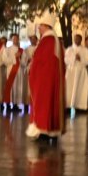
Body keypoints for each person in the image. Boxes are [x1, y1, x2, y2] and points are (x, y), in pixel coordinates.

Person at [26, 12, 65, 143]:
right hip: (48, 79)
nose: (38, 28)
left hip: (45, 80)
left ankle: (44, 131)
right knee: (48, 104)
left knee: (45, 104)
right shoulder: (52, 39)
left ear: (46, 26)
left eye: (40, 26)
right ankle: (49, 132)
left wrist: (33, 67)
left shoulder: (48, 40)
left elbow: (42, 61)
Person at [64, 34, 88, 113]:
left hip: (81, 72)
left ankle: (80, 106)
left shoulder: (85, 50)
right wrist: (73, 58)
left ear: (81, 40)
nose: (77, 40)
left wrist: (81, 58)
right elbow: (65, 60)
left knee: (80, 89)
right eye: (76, 39)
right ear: (74, 39)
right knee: (69, 89)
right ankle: (68, 106)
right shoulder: (69, 49)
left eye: (79, 39)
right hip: (71, 72)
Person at [2, 34, 26, 111]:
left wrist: (20, 57)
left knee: (18, 87)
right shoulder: (7, 50)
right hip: (11, 70)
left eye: (17, 38)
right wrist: (14, 57)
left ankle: (16, 105)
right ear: (11, 40)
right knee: (11, 87)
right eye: (14, 38)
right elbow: (5, 60)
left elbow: (24, 62)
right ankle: (9, 104)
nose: (15, 40)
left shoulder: (22, 50)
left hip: (19, 71)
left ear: (18, 39)